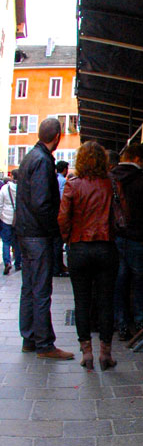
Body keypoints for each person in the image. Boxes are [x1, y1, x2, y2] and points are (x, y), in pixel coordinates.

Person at [14, 117, 74, 359]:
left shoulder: (30, 157)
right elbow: (42, 203)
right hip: (38, 235)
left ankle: (29, 338)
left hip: (26, 233)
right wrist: (55, 229)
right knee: (40, 289)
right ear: (57, 137)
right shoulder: (42, 161)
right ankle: (44, 344)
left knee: (29, 287)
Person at [58, 141, 119, 371]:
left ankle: (87, 354)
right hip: (106, 247)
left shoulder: (72, 185)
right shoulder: (111, 184)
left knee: (81, 302)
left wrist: (69, 238)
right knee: (106, 301)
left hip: (79, 248)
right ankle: (106, 354)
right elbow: (122, 215)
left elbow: (63, 218)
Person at [111, 143, 143, 340]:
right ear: (139, 159)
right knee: (140, 282)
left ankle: (121, 325)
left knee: (119, 282)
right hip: (140, 238)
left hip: (116, 237)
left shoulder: (111, 177)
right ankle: (140, 323)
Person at [0, 169, 21, 274]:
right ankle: (18, 263)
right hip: (18, 219)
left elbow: (0, 204)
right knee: (17, 242)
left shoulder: (5, 188)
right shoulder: (22, 188)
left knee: (6, 242)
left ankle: (7, 262)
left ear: (12, 176)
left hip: (6, 218)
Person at [53, 159, 70, 276]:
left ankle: (57, 266)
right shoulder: (63, 181)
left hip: (53, 214)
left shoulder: (54, 179)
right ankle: (57, 268)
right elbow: (63, 199)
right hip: (59, 215)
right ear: (65, 170)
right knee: (58, 244)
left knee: (56, 244)